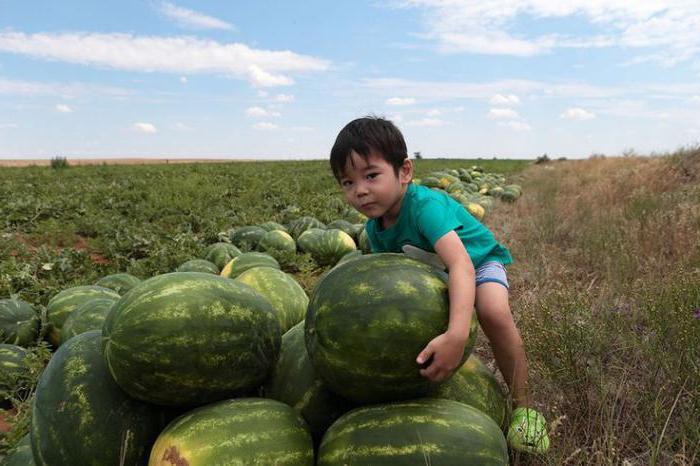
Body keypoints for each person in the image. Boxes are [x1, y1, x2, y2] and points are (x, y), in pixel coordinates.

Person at [329, 116, 550, 454]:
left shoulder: (424, 208)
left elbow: (460, 264)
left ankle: (527, 407)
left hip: (476, 261)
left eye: (371, 176)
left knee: (491, 312)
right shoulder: (375, 230)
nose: (360, 190)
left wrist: (458, 334)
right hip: (439, 274)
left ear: (404, 171)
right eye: (347, 182)